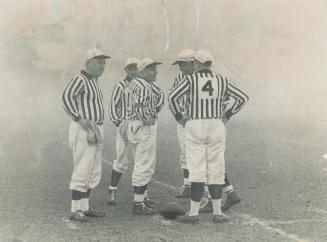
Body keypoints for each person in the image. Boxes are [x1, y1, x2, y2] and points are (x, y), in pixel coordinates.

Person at [168, 50, 249, 224]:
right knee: (216, 169)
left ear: (196, 64)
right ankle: (218, 213)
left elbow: (172, 97)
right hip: (216, 126)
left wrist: (179, 118)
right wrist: (227, 114)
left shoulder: (190, 79)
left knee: (196, 170)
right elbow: (242, 97)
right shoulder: (221, 80)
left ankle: (193, 214)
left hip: (195, 125)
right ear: (210, 63)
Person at [62, 48, 110, 222]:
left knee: (94, 170)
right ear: (88, 63)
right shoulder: (80, 79)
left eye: (104, 63)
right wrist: (79, 118)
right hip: (84, 129)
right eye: (99, 62)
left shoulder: (94, 82)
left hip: (96, 128)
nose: (103, 66)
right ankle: (75, 209)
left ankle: (85, 207)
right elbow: (66, 98)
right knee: (83, 167)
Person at [127, 58, 165, 215]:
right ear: (141, 72)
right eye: (151, 69)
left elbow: (161, 97)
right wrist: (149, 116)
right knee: (144, 165)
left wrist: (152, 112)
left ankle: (141, 199)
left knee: (140, 163)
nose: (155, 71)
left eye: (155, 68)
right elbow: (140, 106)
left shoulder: (136, 83)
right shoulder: (144, 86)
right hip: (143, 127)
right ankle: (138, 204)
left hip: (134, 125)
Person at [107, 57, 140, 205]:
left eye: (135, 68)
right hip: (126, 124)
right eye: (130, 69)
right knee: (121, 158)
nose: (133, 71)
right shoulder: (120, 86)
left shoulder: (143, 85)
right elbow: (112, 107)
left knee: (142, 160)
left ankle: (143, 195)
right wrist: (119, 123)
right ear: (126, 70)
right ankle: (112, 190)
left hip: (140, 125)